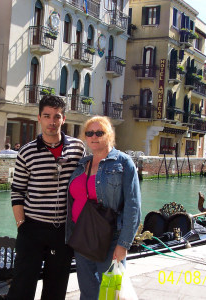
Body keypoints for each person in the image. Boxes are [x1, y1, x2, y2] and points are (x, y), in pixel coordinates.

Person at [8, 95, 85, 300]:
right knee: (22, 286)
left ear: (64, 119)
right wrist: (21, 225)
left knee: (56, 288)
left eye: (56, 117)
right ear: (39, 118)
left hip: (63, 232)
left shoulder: (78, 149)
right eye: (47, 116)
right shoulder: (26, 152)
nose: (52, 122)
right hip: (31, 229)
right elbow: (17, 191)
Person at [66, 116, 141, 300]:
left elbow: (133, 206)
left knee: (109, 294)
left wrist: (123, 245)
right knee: (88, 292)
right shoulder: (81, 164)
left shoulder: (123, 163)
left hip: (110, 241)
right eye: (89, 133)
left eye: (99, 132)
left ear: (109, 135)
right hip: (82, 238)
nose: (94, 136)